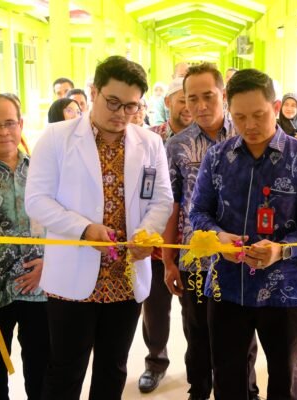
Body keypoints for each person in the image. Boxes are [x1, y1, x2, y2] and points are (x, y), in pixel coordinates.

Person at [25, 55, 173, 400]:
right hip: (72, 277)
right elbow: (37, 200)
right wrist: (83, 229)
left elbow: (162, 199)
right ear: (93, 92)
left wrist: (146, 234)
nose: (121, 113)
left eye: (131, 106)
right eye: (113, 102)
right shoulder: (56, 138)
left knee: (113, 368)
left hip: (124, 278)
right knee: (65, 370)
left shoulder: (149, 143)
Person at [188, 68, 297, 400]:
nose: (249, 125)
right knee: (229, 381)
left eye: (258, 115)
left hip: (286, 292)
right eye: (239, 117)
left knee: (284, 380)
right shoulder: (218, 157)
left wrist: (281, 249)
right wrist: (217, 237)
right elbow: (198, 213)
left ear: (276, 107)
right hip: (227, 287)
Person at [163, 63, 260, 400]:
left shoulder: (248, 135)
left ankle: (246, 389)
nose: (200, 105)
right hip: (195, 259)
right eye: (192, 98)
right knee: (197, 331)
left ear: (224, 94)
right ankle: (199, 389)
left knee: (242, 334)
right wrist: (169, 261)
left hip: (241, 257)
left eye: (208, 96)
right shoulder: (177, 145)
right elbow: (173, 206)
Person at [0, 93, 49, 400]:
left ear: (20, 124)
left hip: (40, 287)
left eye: (9, 123)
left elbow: (61, 222)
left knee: (42, 369)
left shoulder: (43, 170)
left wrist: (50, 263)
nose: (4, 131)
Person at [135, 76, 193, 395]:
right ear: (168, 102)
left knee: (195, 312)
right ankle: (155, 362)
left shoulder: (207, 140)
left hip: (195, 245)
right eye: (182, 99)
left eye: (193, 99)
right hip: (155, 243)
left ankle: (199, 366)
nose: (189, 106)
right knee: (155, 309)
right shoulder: (149, 139)